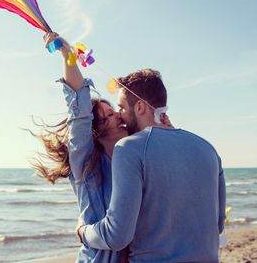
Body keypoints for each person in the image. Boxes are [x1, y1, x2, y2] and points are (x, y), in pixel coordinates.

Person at [76, 69, 227, 262]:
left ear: (140, 107)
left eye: (121, 107)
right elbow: (218, 224)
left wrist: (83, 232)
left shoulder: (129, 148)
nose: (119, 116)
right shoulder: (208, 149)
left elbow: (117, 236)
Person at [31, 32, 128, 262]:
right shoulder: (86, 162)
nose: (118, 116)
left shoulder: (134, 157)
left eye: (114, 111)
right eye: (109, 115)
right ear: (96, 130)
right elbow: (80, 111)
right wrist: (67, 54)